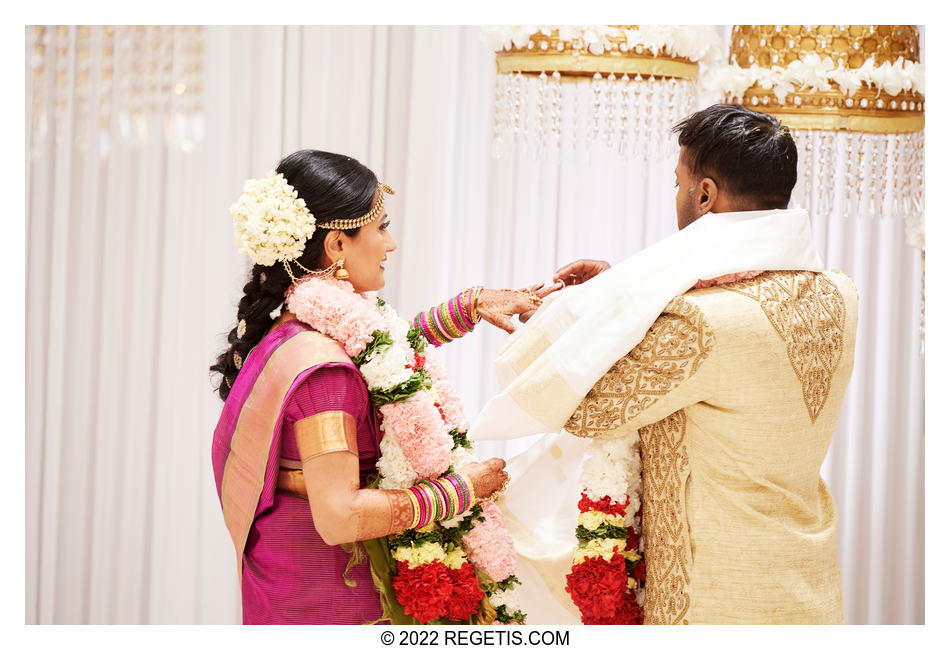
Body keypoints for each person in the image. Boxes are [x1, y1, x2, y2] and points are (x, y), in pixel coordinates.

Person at [471, 104, 857, 624]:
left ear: (705, 195)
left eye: (679, 183)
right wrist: (624, 288)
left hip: (714, 597)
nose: (677, 197)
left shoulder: (699, 323)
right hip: (806, 580)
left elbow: (587, 408)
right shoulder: (840, 294)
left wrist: (604, 303)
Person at [209, 150, 548, 624]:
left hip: (286, 590)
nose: (390, 243)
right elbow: (340, 516)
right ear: (337, 246)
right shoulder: (325, 375)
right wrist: (461, 491)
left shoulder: (292, 326)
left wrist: (468, 306)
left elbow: (381, 354)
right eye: (380, 226)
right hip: (333, 605)